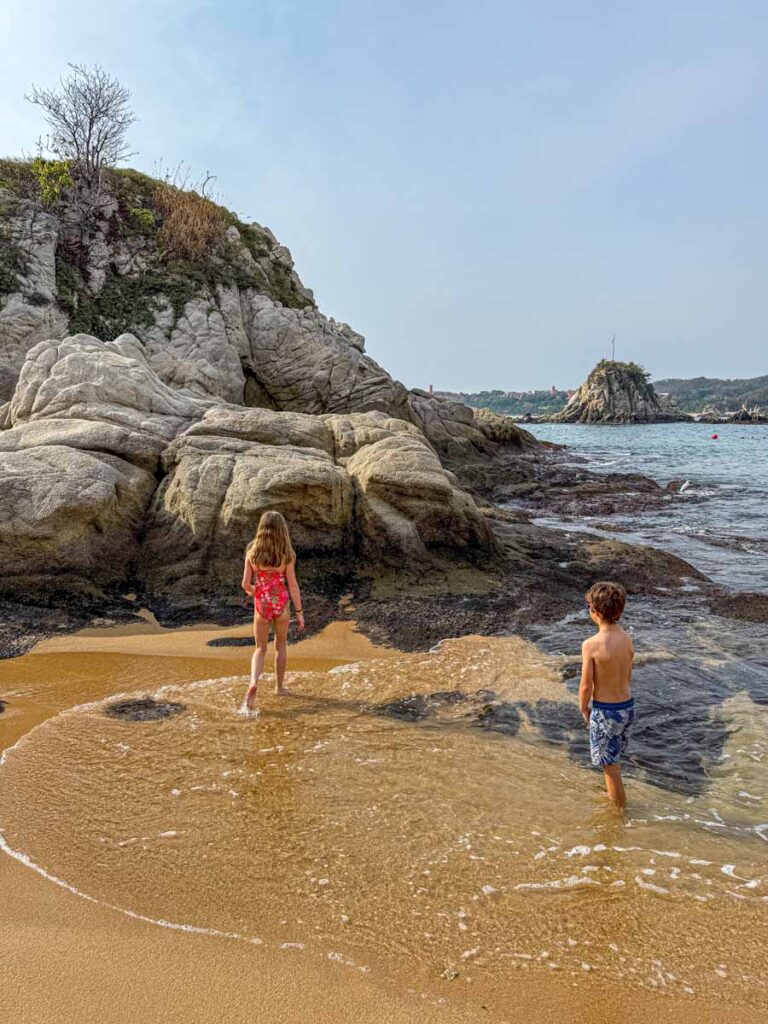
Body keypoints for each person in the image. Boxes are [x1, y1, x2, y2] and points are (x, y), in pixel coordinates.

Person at [240, 510, 305, 715]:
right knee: (280, 645)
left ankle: (253, 682)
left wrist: (255, 591)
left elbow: (245, 584)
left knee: (260, 648)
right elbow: (293, 585)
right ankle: (279, 687)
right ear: (282, 530)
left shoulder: (252, 554)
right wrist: (299, 612)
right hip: (281, 604)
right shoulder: (287, 555)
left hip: (262, 604)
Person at [579, 581, 635, 808]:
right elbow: (627, 675)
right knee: (613, 758)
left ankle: (618, 810)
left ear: (594, 610)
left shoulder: (591, 645)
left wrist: (584, 708)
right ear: (620, 610)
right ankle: (613, 794)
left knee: (610, 766)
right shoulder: (627, 638)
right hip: (627, 707)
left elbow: (586, 685)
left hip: (606, 711)